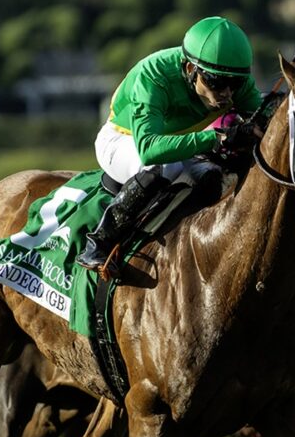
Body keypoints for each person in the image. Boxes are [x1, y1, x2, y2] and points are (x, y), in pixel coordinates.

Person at [76, 16, 265, 274]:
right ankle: (99, 242)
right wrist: (216, 138)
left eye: (236, 84)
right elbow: (150, 149)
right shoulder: (154, 76)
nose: (227, 94)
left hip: (176, 148)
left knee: (211, 176)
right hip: (123, 140)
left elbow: (268, 119)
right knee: (163, 167)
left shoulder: (230, 78)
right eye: (217, 83)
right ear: (190, 69)